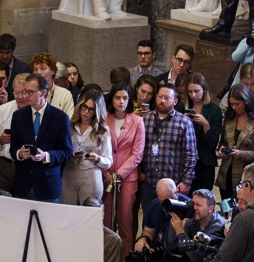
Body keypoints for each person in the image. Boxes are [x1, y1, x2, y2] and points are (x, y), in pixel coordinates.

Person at [10, 73, 74, 202]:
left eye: (30, 92)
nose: (25, 96)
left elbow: (67, 152)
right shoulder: (18, 116)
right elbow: (13, 148)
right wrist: (19, 153)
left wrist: (46, 156)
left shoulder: (60, 118)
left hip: (48, 185)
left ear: (43, 92)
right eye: (24, 91)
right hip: (23, 184)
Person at [139, 82, 197, 205]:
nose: (163, 101)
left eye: (167, 98)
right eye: (160, 97)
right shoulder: (145, 119)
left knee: (172, 219)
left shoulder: (184, 122)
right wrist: (139, 172)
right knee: (149, 218)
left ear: (175, 101)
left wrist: (186, 181)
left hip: (173, 183)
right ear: (155, 97)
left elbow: (191, 154)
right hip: (149, 181)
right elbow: (137, 148)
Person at [103, 82, 145, 250]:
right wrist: (106, 171)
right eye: (118, 98)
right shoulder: (104, 118)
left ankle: (124, 261)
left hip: (127, 178)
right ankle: (106, 257)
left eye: (125, 98)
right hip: (105, 175)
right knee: (106, 220)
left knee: (126, 221)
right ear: (112, 99)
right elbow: (97, 147)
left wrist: (119, 174)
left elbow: (137, 154)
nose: (121, 101)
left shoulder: (137, 121)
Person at [63, 91, 113, 206]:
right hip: (69, 173)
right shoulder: (69, 124)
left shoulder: (102, 130)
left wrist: (97, 158)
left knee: (88, 214)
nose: (86, 112)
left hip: (90, 174)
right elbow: (59, 148)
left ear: (97, 111)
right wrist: (69, 153)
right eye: (84, 107)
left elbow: (108, 160)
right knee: (66, 214)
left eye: (91, 109)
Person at [179, 73, 222, 192]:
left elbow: (213, 144)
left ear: (204, 89)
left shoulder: (214, 110)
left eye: (196, 91)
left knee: (202, 200)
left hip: (205, 164)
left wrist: (206, 124)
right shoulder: (181, 108)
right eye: (190, 91)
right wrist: (183, 122)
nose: (193, 95)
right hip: (183, 163)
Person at [216, 83, 254, 194]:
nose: (234, 107)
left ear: (246, 101)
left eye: (237, 104)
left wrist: (242, 154)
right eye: (231, 104)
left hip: (245, 174)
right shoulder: (229, 119)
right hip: (226, 173)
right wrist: (222, 149)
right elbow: (223, 142)